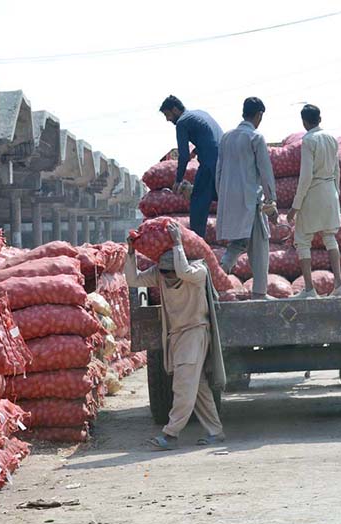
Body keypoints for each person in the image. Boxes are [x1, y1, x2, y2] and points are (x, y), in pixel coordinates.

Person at [126, 222, 225, 449]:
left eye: (170, 273)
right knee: (197, 387)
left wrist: (178, 242)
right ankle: (215, 431)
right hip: (176, 337)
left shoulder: (198, 273)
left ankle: (171, 434)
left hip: (194, 334)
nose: (168, 278)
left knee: (182, 386)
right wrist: (131, 253)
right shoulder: (161, 275)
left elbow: (183, 271)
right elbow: (133, 280)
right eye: (164, 273)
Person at [215, 97, 278, 300]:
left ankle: (219, 275)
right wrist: (271, 200)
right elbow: (265, 172)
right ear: (259, 115)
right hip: (251, 201)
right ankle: (259, 292)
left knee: (239, 242)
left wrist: (222, 198)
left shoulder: (226, 138)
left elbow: (219, 171)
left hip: (229, 200)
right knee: (259, 244)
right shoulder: (255, 137)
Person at [286, 104, 341, 298]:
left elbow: (305, 177)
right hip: (330, 191)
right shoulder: (331, 139)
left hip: (313, 193)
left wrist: (295, 207)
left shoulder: (308, 141)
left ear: (304, 122)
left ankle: (310, 289)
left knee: (302, 240)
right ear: (320, 119)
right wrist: (335, 194)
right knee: (330, 237)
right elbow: (337, 170)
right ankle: (339, 285)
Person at [159, 95, 223, 239]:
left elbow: (182, 154)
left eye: (167, 114)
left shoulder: (182, 122)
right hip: (224, 162)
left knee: (197, 202)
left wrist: (178, 180)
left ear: (175, 110)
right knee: (218, 196)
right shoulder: (200, 114)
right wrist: (195, 152)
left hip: (209, 165)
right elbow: (208, 137)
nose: (168, 119)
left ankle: (197, 241)